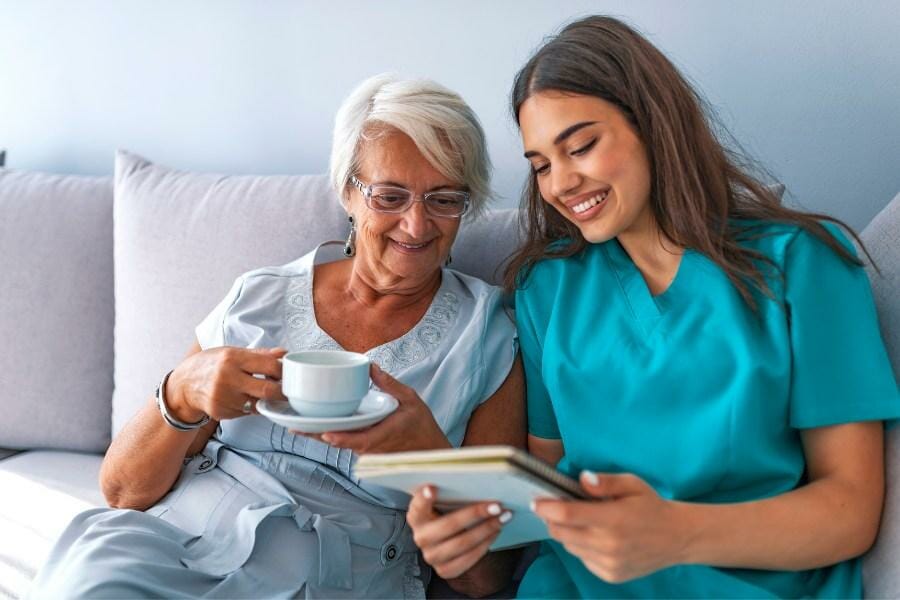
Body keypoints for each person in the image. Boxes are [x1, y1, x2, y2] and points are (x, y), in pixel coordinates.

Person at [406, 15, 899, 598]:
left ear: (653, 126)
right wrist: (468, 535)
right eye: (540, 165)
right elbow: (544, 488)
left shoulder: (803, 266)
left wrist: (676, 533)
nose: (561, 182)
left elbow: (850, 509)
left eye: (581, 146)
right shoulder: (546, 289)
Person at [29, 73, 525, 599]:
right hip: (177, 542)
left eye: (445, 199)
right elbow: (123, 491)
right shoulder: (259, 296)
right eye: (390, 196)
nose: (417, 224)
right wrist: (181, 392)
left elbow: (483, 578)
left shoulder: (487, 337)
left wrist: (427, 455)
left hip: (333, 578)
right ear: (347, 191)